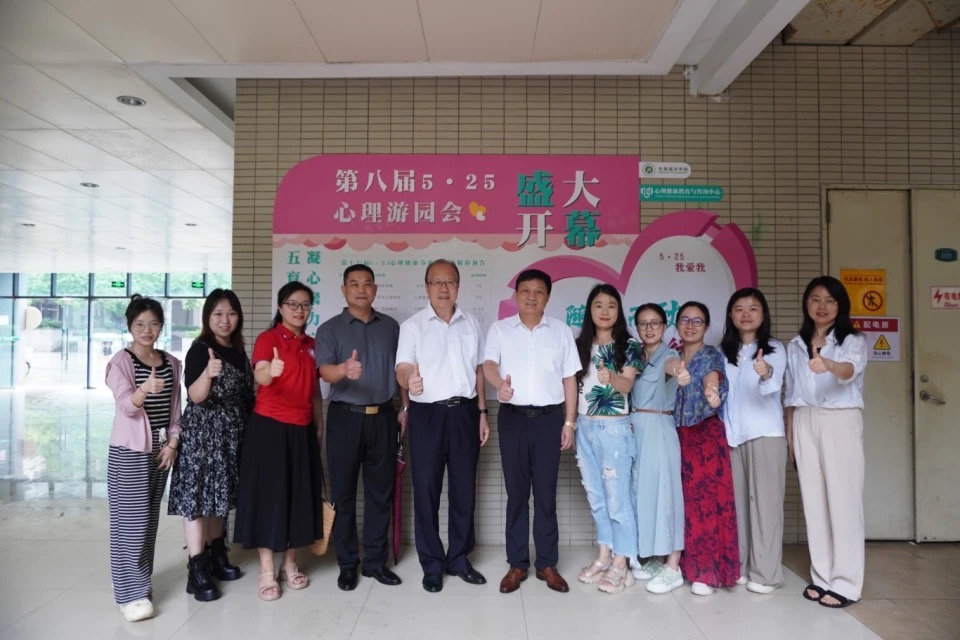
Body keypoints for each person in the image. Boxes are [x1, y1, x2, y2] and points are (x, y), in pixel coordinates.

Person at [395, 259, 491, 593]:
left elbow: (479, 370)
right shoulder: (413, 326)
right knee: (426, 489)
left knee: (464, 489)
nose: (443, 288)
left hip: (465, 412)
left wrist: (482, 412)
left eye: (450, 282)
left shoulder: (472, 323)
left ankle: (460, 559)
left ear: (458, 287)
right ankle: (432, 564)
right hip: (427, 415)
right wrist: (410, 381)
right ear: (426, 287)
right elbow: (402, 367)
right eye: (437, 282)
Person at [482, 269, 580, 594]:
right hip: (512, 417)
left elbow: (569, 379)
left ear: (547, 297)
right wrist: (499, 385)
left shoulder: (561, 331)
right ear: (516, 295)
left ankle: (547, 564)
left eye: (539, 291)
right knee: (516, 493)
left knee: (546, 493)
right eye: (525, 290)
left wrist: (569, 422)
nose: (532, 297)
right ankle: (517, 564)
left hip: (550, 419)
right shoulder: (500, 329)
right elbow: (488, 365)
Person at [316, 264, 408, 591]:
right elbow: (324, 372)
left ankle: (375, 562)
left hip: (384, 416)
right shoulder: (329, 329)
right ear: (343, 290)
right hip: (345, 417)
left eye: (367, 284)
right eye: (354, 284)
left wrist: (405, 407)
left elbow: (401, 371)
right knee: (343, 493)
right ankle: (347, 563)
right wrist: (343, 369)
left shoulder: (391, 327)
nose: (361, 289)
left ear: (375, 289)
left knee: (380, 493)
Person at [234, 281, 325, 601]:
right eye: (292, 304)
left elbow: (314, 391)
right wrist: (269, 371)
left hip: (302, 429)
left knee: (298, 497)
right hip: (269, 428)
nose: (299, 310)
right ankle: (266, 570)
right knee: (269, 498)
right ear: (280, 307)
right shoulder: (268, 338)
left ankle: (290, 564)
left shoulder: (313, 344)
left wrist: (319, 425)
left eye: (305, 305)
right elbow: (260, 373)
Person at [785, 276, 867, 609]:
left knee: (843, 501)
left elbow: (849, 371)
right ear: (806, 303)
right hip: (804, 419)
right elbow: (790, 395)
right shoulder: (795, 344)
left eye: (830, 300)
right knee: (814, 501)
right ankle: (822, 576)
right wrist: (791, 438)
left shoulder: (852, 340)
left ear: (840, 306)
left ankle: (847, 583)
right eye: (815, 299)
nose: (822, 306)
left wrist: (828, 364)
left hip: (839, 419)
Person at [168, 289, 254, 601]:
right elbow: (196, 396)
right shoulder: (200, 349)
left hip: (231, 435)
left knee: (221, 497)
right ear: (207, 317)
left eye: (231, 313)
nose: (225, 320)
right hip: (203, 436)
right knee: (197, 500)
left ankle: (218, 556)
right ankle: (197, 569)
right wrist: (208, 373)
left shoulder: (239, 350)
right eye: (218, 314)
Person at [105, 294, 182, 622]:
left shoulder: (171, 363)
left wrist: (173, 444)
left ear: (161, 327)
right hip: (129, 452)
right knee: (129, 525)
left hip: (160, 452)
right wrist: (144, 389)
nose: (147, 330)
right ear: (129, 326)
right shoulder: (120, 362)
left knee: (148, 522)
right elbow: (125, 406)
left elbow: (175, 412)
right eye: (140, 324)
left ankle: (139, 583)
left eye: (153, 324)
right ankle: (129, 594)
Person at [572, 284, 641, 594]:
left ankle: (621, 561)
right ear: (589, 310)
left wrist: (610, 377)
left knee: (618, 500)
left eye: (611, 305)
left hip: (614, 429)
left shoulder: (629, 345)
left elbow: (626, 385)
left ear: (619, 311)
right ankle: (604, 555)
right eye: (598, 305)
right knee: (596, 497)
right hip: (584, 427)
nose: (604, 311)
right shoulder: (579, 346)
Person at [720, 288, 788, 594]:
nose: (745, 314)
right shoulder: (724, 352)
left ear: (763, 314)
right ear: (730, 315)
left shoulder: (773, 349)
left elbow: (772, 386)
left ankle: (766, 573)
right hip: (733, 436)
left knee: (765, 505)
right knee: (737, 506)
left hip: (765, 435)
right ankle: (741, 566)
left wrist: (765, 372)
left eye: (753, 308)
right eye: (739, 308)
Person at [673, 300, 739, 596]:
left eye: (697, 321)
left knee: (706, 504)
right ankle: (685, 565)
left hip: (705, 436)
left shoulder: (710, 354)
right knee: (685, 503)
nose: (690, 326)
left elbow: (713, 378)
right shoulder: (675, 357)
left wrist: (712, 392)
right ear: (677, 324)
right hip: (679, 436)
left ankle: (707, 572)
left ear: (707, 327)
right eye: (685, 320)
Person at [629, 303, 685, 594]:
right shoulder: (635, 356)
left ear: (664, 327)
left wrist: (680, 372)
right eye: (643, 323)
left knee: (667, 495)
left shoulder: (669, 355)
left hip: (659, 428)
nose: (649, 328)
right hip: (635, 429)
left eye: (655, 323)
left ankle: (673, 567)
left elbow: (673, 367)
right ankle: (653, 557)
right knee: (643, 495)